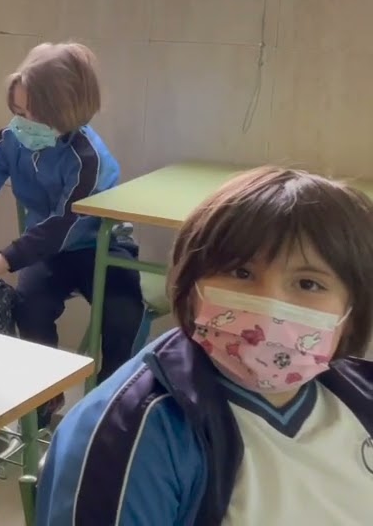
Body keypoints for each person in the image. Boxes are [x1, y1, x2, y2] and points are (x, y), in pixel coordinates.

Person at [36, 167, 373, 525]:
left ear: (351, 311)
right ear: (191, 285)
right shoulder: (132, 435)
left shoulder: (358, 395)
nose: (270, 307)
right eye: (241, 273)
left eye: (308, 284)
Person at [0, 42, 143, 425]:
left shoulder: (88, 159)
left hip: (102, 245)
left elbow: (64, 225)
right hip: (49, 250)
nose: (20, 122)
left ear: (63, 112)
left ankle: (112, 408)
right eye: (17, 112)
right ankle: (45, 397)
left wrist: (2, 261)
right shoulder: (14, 138)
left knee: (124, 316)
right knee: (30, 306)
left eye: (30, 114)